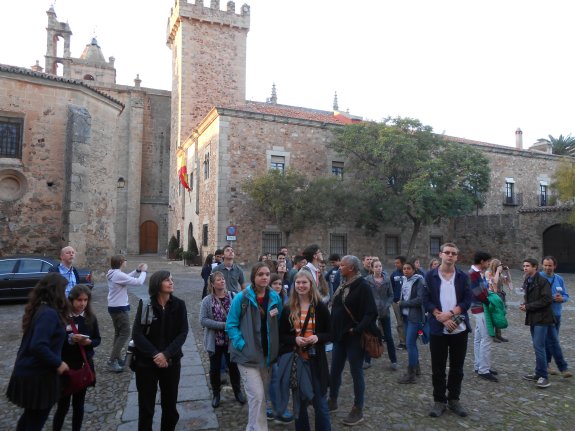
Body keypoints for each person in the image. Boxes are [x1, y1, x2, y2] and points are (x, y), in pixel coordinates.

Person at [6, 273, 70, 431]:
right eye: (64, 290)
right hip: (37, 377)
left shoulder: (42, 309)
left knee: (30, 417)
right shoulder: (48, 313)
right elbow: (38, 345)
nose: (66, 294)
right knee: (35, 422)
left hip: (32, 373)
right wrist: (59, 363)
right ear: (56, 291)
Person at [226, 262, 282, 430]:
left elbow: (276, 322)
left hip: (266, 357)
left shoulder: (275, 298)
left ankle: (257, 428)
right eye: (260, 274)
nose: (264, 277)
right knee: (256, 396)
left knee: (260, 397)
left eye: (267, 274)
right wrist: (242, 344)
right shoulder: (241, 298)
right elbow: (231, 324)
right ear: (253, 277)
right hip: (246, 356)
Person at [132, 270, 189, 431]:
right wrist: (155, 354)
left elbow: (183, 332)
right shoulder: (145, 305)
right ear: (157, 284)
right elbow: (137, 334)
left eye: (172, 279)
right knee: (146, 407)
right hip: (146, 364)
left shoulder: (179, 305)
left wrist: (166, 354)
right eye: (167, 280)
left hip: (171, 363)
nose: (171, 282)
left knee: (170, 407)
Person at [423, 242, 472, 418]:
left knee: (457, 368)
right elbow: (425, 300)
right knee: (438, 367)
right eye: (447, 252)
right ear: (441, 255)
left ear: (457, 257)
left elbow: (467, 300)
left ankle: (454, 399)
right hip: (438, 329)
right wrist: (439, 316)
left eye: (453, 253)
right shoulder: (430, 276)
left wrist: (450, 314)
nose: (450, 256)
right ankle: (439, 401)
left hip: (459, 328)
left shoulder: (462, 277)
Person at [278, 269, 332, 431]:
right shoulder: (288, 308)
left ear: (311, 284)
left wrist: (318, 338)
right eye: (298, 283)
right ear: (294, 285)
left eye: (304, 282)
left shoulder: (320, 307)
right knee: (300, 405)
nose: (301, 286)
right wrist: (294, 339)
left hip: (316, 362)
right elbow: (281, 335)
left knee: (320, 404)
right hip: (297, 362)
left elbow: (331, 333)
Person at [328, 255, 379, 426]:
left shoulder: (362, 286)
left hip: (354, 338)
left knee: (356, 372)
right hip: (339, 336)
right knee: (334, 370)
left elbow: (371, 312)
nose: (339, 267)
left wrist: (356, 330)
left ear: (351, 268)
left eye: (342, 265)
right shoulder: (343, 285)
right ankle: (332, 400)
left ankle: (358, 409)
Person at [53, 284, 101, 431]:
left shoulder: (90, 318)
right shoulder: (62, 318)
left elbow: (97, 339)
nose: (82, 303)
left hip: (82, 366)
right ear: (71, 300)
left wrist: (89, 342)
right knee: (63, 405)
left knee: (79, 406)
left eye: (86, 300)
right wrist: (69, 340)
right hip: (66, 367)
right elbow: (54, 341)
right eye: (79, 300)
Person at [520, 259, 570, 388]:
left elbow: (547, 300)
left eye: (527, 266)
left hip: (543, 318)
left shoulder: (542, 281)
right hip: (536, 317)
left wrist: (528, 306)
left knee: (539, 346)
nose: (525, 268)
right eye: (524, 266)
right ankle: (540, 373)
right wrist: (526, 305)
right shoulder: (528, 279)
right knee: (550, 343)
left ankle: (543, 376)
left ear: (535, 267)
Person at [200, 271, 245, 408]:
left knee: (233, 368)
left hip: (231, 340)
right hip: (215, 341)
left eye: (223, 279)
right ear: (213, 284)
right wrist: (224, 325)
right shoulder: (207, 300)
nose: (222, 281)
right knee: (214, 369)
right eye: (219, 280)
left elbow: (241, 315)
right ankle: (216, 394)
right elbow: (203, 320)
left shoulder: (233, 296)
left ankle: (237, 391)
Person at [106, 255, 148, 372]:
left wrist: (137, 270)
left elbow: (126, 277)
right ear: (120, 262)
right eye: (125, 260)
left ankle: (117, 357)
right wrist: (144, 272)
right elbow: (138, 282)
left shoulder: (112, 273)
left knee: (118, 333)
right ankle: (112, 360)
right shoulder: (118, 274)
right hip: (119, 308)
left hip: (113, 306)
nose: (126, 261)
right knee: (125, 333)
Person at [540, 256, 572, 377]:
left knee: (551, 341)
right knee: (553, 341)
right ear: (542, 265)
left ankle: (547, 364)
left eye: (550, 265)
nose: (548, 267)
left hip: (557, 315)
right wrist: (549, 298)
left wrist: (561, 298)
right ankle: (563, 368)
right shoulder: (539, 278)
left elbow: (566, 295)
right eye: (546, 265)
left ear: (555, 266)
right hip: (545, 315)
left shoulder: (559, 279)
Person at [469, 251, 498, 382]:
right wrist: (488, 301)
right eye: (487, 262)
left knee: (479, 338)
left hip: (479, 308)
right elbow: (476, 292)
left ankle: (479, 366)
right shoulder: (473, 274)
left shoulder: (476, 273)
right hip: (480, 308)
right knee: (487, 337)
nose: (488, 264)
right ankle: (483, 369)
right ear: (482, 261)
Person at [364, 259, 398, 371]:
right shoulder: (367, 280)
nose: (379, 268)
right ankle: (367, 360)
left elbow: (391, 295)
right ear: (372, 268)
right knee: (369, 336)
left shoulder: (387, 280)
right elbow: (365, 296)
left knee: (388, 336)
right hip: (372, 312)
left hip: (384, 311)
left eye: (380, 266)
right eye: (376, 266)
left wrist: (387, 304)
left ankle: (394, 361)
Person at [397, 261, 426, 384]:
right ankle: (416, 368)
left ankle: (411, 375)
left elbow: (420, 300)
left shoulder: (419, 281)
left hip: (415, 317)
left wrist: (403, 303)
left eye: (408, 268)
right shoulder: (404, 280)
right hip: (406, 316)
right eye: (404, 268)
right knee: (412, 344)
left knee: (410, 345)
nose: (406, 270)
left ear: (414, 269)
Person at [485, 258, 512, 342]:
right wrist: (497, 271)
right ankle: (493, 336)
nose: (501, 266)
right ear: (495, 266)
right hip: (492, 296)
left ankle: (498, 334)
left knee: (499, 315)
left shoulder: (500, 275)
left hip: (500, 296)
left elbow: (509, 283)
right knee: (493, 315)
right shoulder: (488, 273)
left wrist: (507, 271)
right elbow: (495, 282)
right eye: (500, 265)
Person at [390, 255, 407, 350]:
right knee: (399, 322)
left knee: (408, 321)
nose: (396, 264)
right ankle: (402, 341)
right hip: (396, 302)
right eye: (395, 263)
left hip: (408, 303)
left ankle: (410, 340)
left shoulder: (409, 273)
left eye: (397, 263)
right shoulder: (394, 274)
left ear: (403, 263)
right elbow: (391, 288)